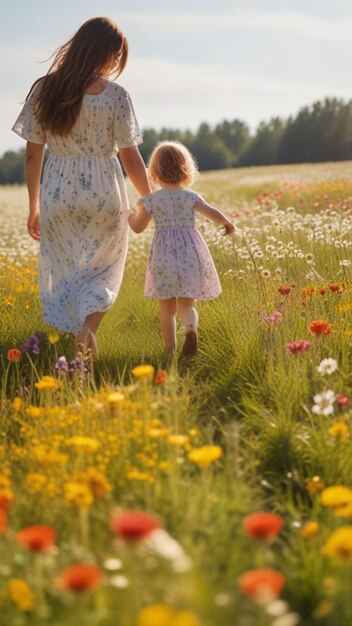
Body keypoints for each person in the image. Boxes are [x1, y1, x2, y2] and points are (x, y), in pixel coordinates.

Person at [12, 17, 150, 356]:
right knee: (102, 270)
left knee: (65, 269)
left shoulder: (44, 89)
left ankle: (74, 344)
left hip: (58, 190)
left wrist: (34, 206)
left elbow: (32, 156)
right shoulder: (116, 96)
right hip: (104, 191)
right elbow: (131, 158)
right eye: (116, 56)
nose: (116, 64)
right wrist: (152, 198)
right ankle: (87, 332)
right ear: (105, 53)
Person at [128, 140, 234, 357]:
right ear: (185, 168)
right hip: (190, 256)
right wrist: (227, 222)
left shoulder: (151, 201)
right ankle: (190, 328)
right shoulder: (191, 197)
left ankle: (169, 352)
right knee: (186, 305)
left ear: (154, 171)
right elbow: (211, 211)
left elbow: (138, 228)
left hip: (163, 259)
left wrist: (127, 215)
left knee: (167, 311)